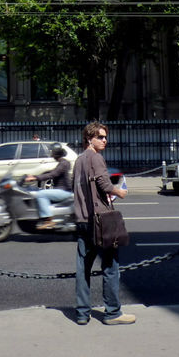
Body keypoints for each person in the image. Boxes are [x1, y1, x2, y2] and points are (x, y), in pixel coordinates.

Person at [73, 121, 135, 326]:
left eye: (105, 137)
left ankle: (82, 313)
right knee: (110, 266)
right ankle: (112, 312)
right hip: (100, 220)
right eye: (100, 137)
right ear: (89, 138)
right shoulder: (96, 158)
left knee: (83, 268)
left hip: (82, 219)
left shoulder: (79, 159)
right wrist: (119, 192)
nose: (104, 140)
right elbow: (104, 184)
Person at [24, 145, 73, 230]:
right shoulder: (62, 163)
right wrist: (34, 176)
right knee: (35, 191)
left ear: (56, 153)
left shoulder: (63, 163)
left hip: (64, 191)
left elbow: (53, 174)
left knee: (41, 194)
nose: (51, 154)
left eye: (52, 152)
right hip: (61, 190)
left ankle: (48, 221)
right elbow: (51, 172)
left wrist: (35, 178)